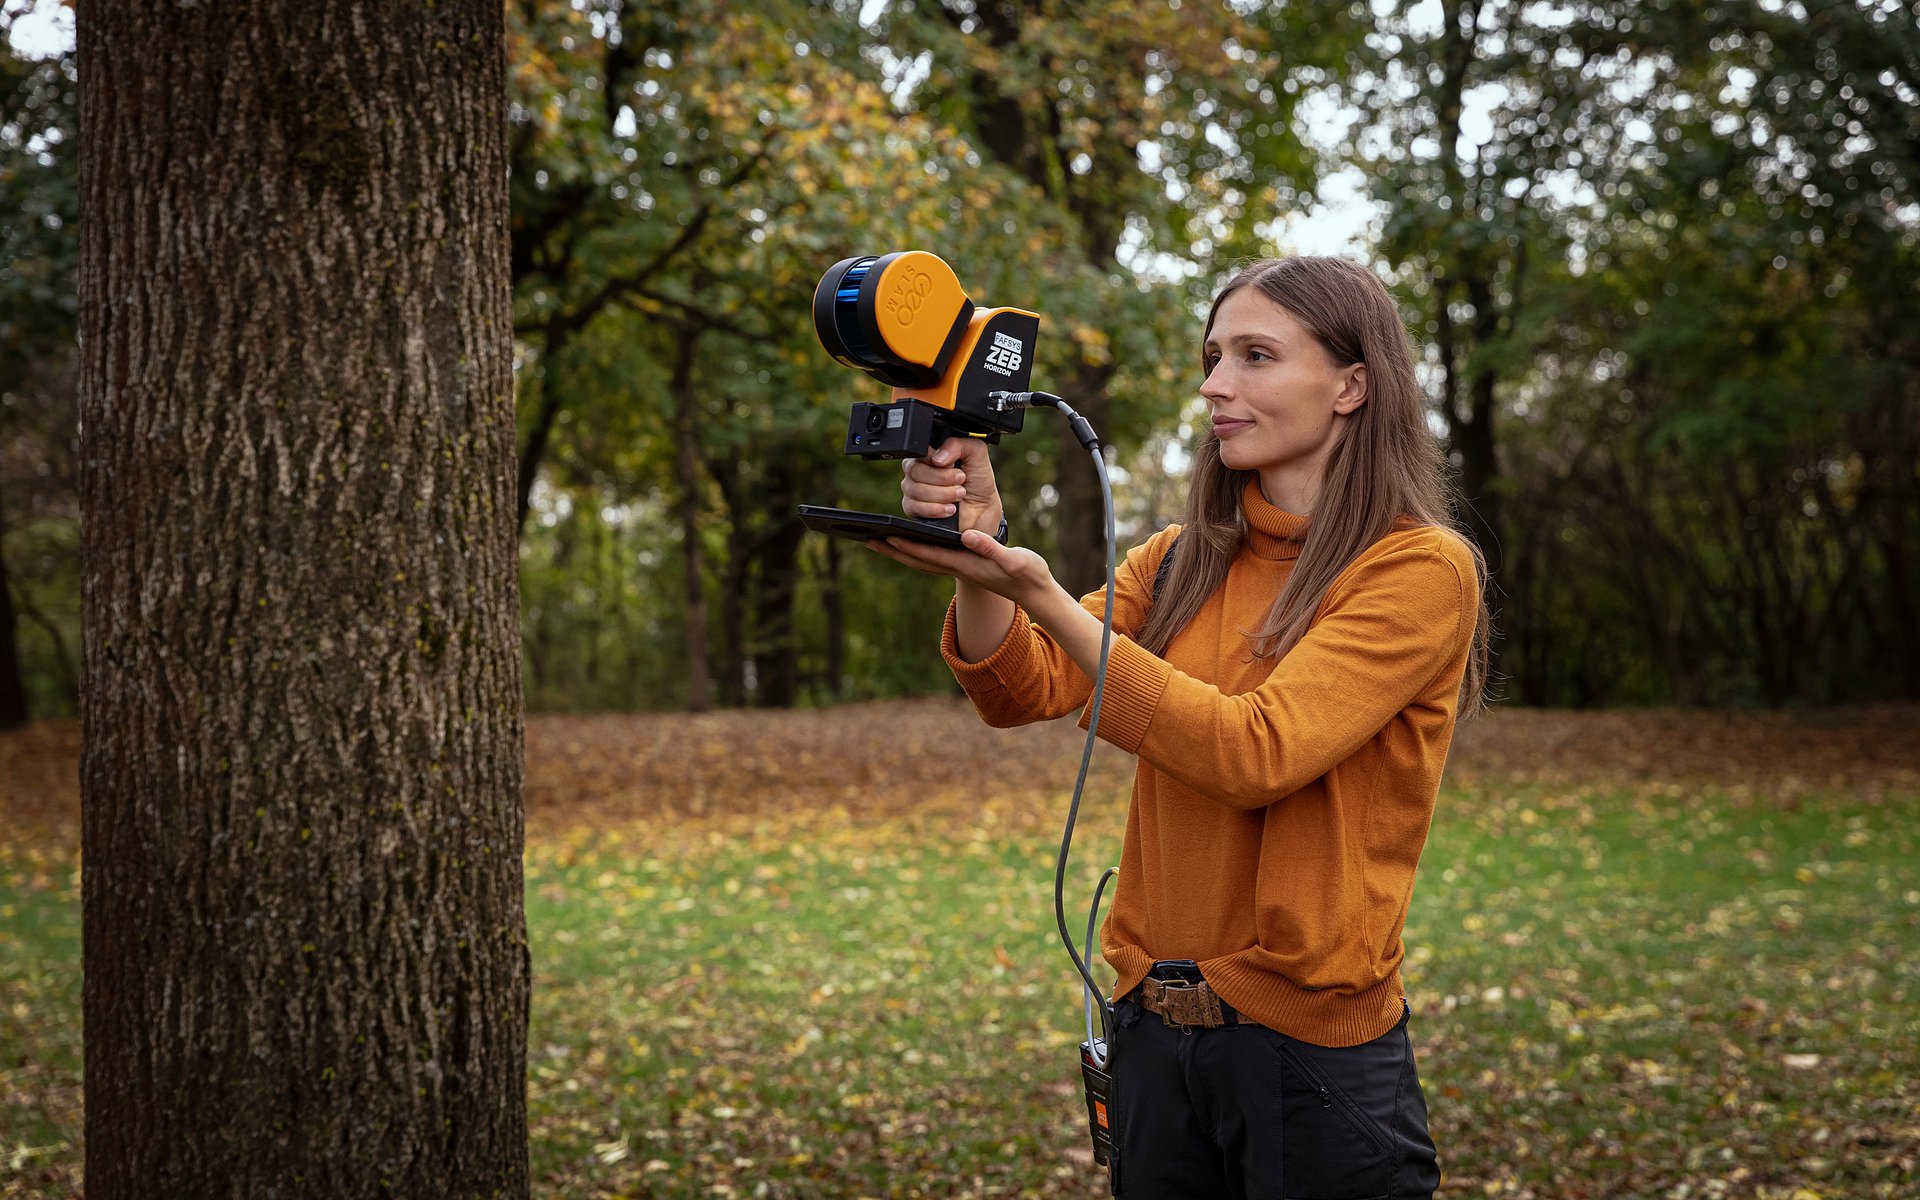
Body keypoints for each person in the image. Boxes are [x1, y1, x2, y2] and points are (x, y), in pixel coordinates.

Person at [864, 255, 1490, 1200]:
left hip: (1311, 1055)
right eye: (1213, 356)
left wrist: (1037, 588)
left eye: (1255, 356)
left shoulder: (1417, 570)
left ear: (1353, 385)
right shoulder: (1183, 560)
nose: (1215, 384)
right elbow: (1021, 684)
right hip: (1152, 1037)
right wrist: (977, 556)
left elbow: (1254, 751)